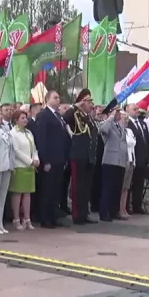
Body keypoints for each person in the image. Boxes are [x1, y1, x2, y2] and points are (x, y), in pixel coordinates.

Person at [34, 91, 69, 228]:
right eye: (55, 97)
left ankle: (54, 217)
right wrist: (45, 160)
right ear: (47, 99)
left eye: (58, 97)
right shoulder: (43, 115)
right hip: (50, 159)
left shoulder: (58, 116)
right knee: (47, 190)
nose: (58, 99)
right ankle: (45, 218)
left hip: (59, 158)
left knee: (56, 189)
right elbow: (41, 139)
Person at [64, 89, 97, 224]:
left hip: (88, 155)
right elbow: (65, 118)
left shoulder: (86, 116)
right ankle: (77, 215)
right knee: (78, 186)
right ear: (82, 102)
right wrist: (76, 105)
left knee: (86, 186)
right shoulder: (74, 113)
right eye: (89, 101)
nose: (91, 105)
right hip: (78, 155)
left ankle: (84, 213)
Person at [98, 102, 128, 222]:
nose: (119, 114)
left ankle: (114, 211)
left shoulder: (119, 126)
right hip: (110, 161)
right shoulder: (106, 124)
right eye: (116, 112)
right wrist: (110, 117)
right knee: (107, 187)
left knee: (117, 188)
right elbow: (102, 130)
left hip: (120, 161)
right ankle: (104, 212)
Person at [9, 110, 38, 230]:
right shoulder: (13, 133)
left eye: (25, 118)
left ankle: (27, 219)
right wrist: (29, 161)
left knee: (27, 194)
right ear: (16, 120)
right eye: (22, 118)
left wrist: (36, 159)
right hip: (19, 166)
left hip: (29, 168)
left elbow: (34, 148)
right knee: (17, 194)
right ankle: (16, 219)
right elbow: (16, 151)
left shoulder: (29, 132)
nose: (25, 120)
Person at [125, 104, 149, 215]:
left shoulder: (142, 123)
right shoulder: (127, 123)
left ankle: (137, 206)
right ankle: (126, 206)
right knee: (129, 184)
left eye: (137, 109)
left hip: (142, 158)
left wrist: (147, 157)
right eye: (134, 109)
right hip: (132, 158)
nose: (137, 111)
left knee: (139, 184)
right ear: (127, 110)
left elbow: (146, 142)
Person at [119, 112, 135, 220]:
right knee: (121, 186)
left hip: (131, 159)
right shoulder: (119, 131)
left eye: (127, 119)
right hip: (123, 160)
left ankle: (124, 207)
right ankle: (119, 208)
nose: (126, 120)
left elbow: (133, 142)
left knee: (126, 187)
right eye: (124, 118)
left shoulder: (129, 131)